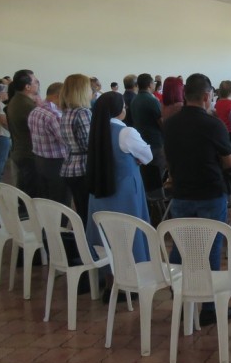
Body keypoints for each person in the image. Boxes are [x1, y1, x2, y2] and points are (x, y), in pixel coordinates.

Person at [164, 73, 231, 327]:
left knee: (182, 245)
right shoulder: (212, 124)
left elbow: (169, 158)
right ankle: (208, 307)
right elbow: (229, 161)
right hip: (209, 192)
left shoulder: (170, 123)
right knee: (211, 248)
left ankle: (178, 292)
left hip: (182, 192)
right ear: (207, 96)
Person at [86, 91, 153, 265]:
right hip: (124, 191)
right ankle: (133, 271)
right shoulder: (126, 132)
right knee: (128, 231)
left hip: (100, 189)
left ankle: (108, 276)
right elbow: (147, 156)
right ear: (118, 110)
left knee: (105, 234)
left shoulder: (95, 130)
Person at [59, 74, 93, 225]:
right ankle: (89, 245)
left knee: (81, 210)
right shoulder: (83, 113)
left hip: (70, 165)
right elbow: (88, 144)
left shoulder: (67, 112)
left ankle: (84, 243)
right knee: (89, 213)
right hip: (83, 167)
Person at [29, 81, 70, 205]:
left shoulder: (35, 111)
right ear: (58, 95)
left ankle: (47, 224)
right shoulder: (54, 115)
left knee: (47, 200)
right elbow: (66, 140)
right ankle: (59, 225)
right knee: (61, 202)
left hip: (40, 160)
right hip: (56, 164)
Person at [7, 70, 41, 196]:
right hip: (28, 153)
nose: (38, 84)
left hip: (21, 151)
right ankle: (28, 215)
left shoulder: (18, 100)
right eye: (36, 82)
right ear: (27, 87)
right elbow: (41, 127)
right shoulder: (25, 104)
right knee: (31, 193)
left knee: (26, 190)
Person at [130, 73, 165, 177]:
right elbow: (161, 122)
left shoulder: (134, 100)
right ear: (150, 85)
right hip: (155, 142)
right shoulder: (152, 100)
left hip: (141, 141)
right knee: (158, 174)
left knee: (146, 175)